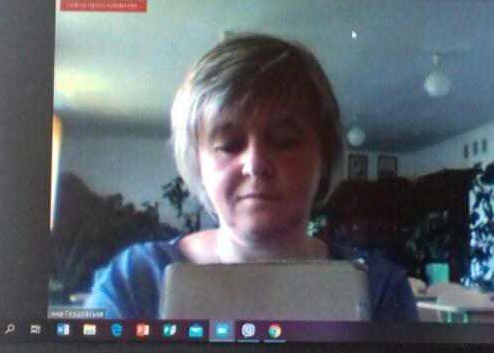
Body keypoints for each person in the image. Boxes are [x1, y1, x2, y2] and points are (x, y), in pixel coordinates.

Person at [85, 34, 418, 322]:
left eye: (285, 140)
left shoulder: (380, 290)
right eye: (228, 145)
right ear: (198, 164)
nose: (256, 164)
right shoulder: (134, 281)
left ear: (325, 155)